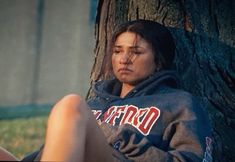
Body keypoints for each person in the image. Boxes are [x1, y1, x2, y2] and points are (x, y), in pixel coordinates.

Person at [1, 19, 213, 162]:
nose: (123, 59)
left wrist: (114, 134)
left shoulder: (180, 103)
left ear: (159, 61)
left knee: (71, 104)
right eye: (118, 51)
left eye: (136, 52)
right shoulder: (95, 103)